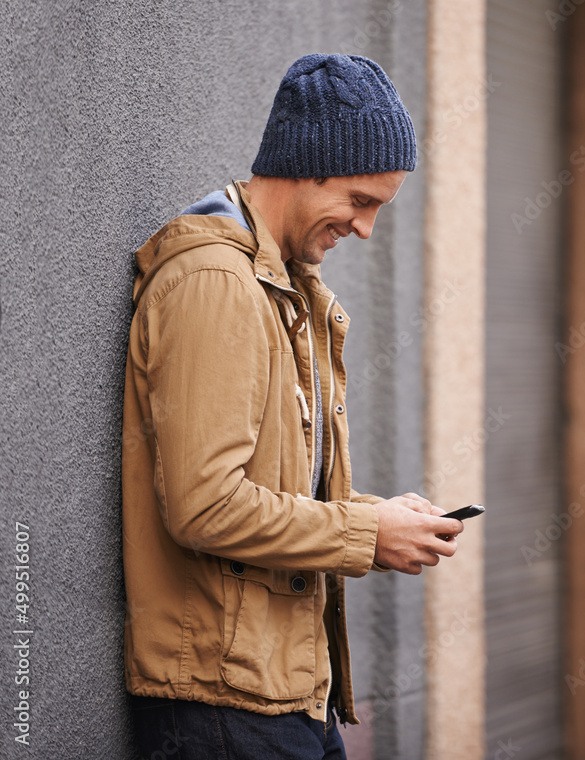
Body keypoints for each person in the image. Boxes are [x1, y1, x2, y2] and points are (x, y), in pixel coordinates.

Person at [120, 53, 463, 760]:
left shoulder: (281, 288)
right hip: (222, 704)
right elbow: (205, 505)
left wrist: (377, 517)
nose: (364, 230)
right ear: (307, 164)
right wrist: (365, 535)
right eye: (360, 201)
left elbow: (273, 490)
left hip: (280, 691)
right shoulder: (216, 284)